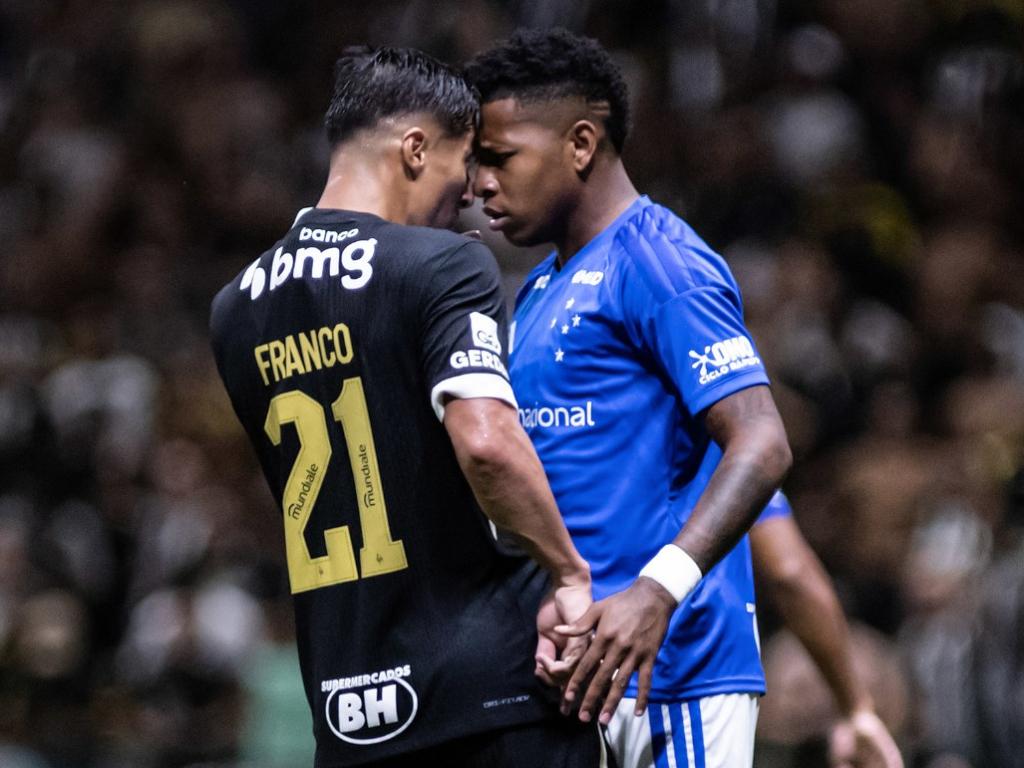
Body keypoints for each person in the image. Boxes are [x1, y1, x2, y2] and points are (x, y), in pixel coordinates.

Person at [209, 47, 602, 767]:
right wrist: (569, 572)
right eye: (463, 164)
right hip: (489, 700)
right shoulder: (439, 264)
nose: (470, 193)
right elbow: (485, 442)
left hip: (349, 713)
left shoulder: (233, 308)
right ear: (415, 149)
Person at [466, 28, 792, 768]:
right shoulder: (540, 288)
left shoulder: (660, 260)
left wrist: (657, 591)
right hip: (579, 673)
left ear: (581, 143)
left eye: (500, 157)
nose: (480, 184)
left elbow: (763, 442)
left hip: (676, 672)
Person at [752, 492, 904, 768]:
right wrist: (855, 708)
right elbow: (790, 572)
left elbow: (900, 710)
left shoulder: (870, 649)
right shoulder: (784, 656)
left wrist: (856, 709)